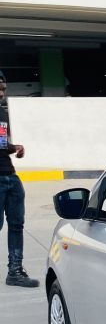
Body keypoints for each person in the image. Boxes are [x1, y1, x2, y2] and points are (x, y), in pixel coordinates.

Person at [0, 71, 38, 288]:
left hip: (9, 176)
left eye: (3, 89)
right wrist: (15, 147)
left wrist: (13, 148)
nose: (1, 93)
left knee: (16, 225)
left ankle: (15, 271)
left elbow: (1, 142)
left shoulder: (2, 113)